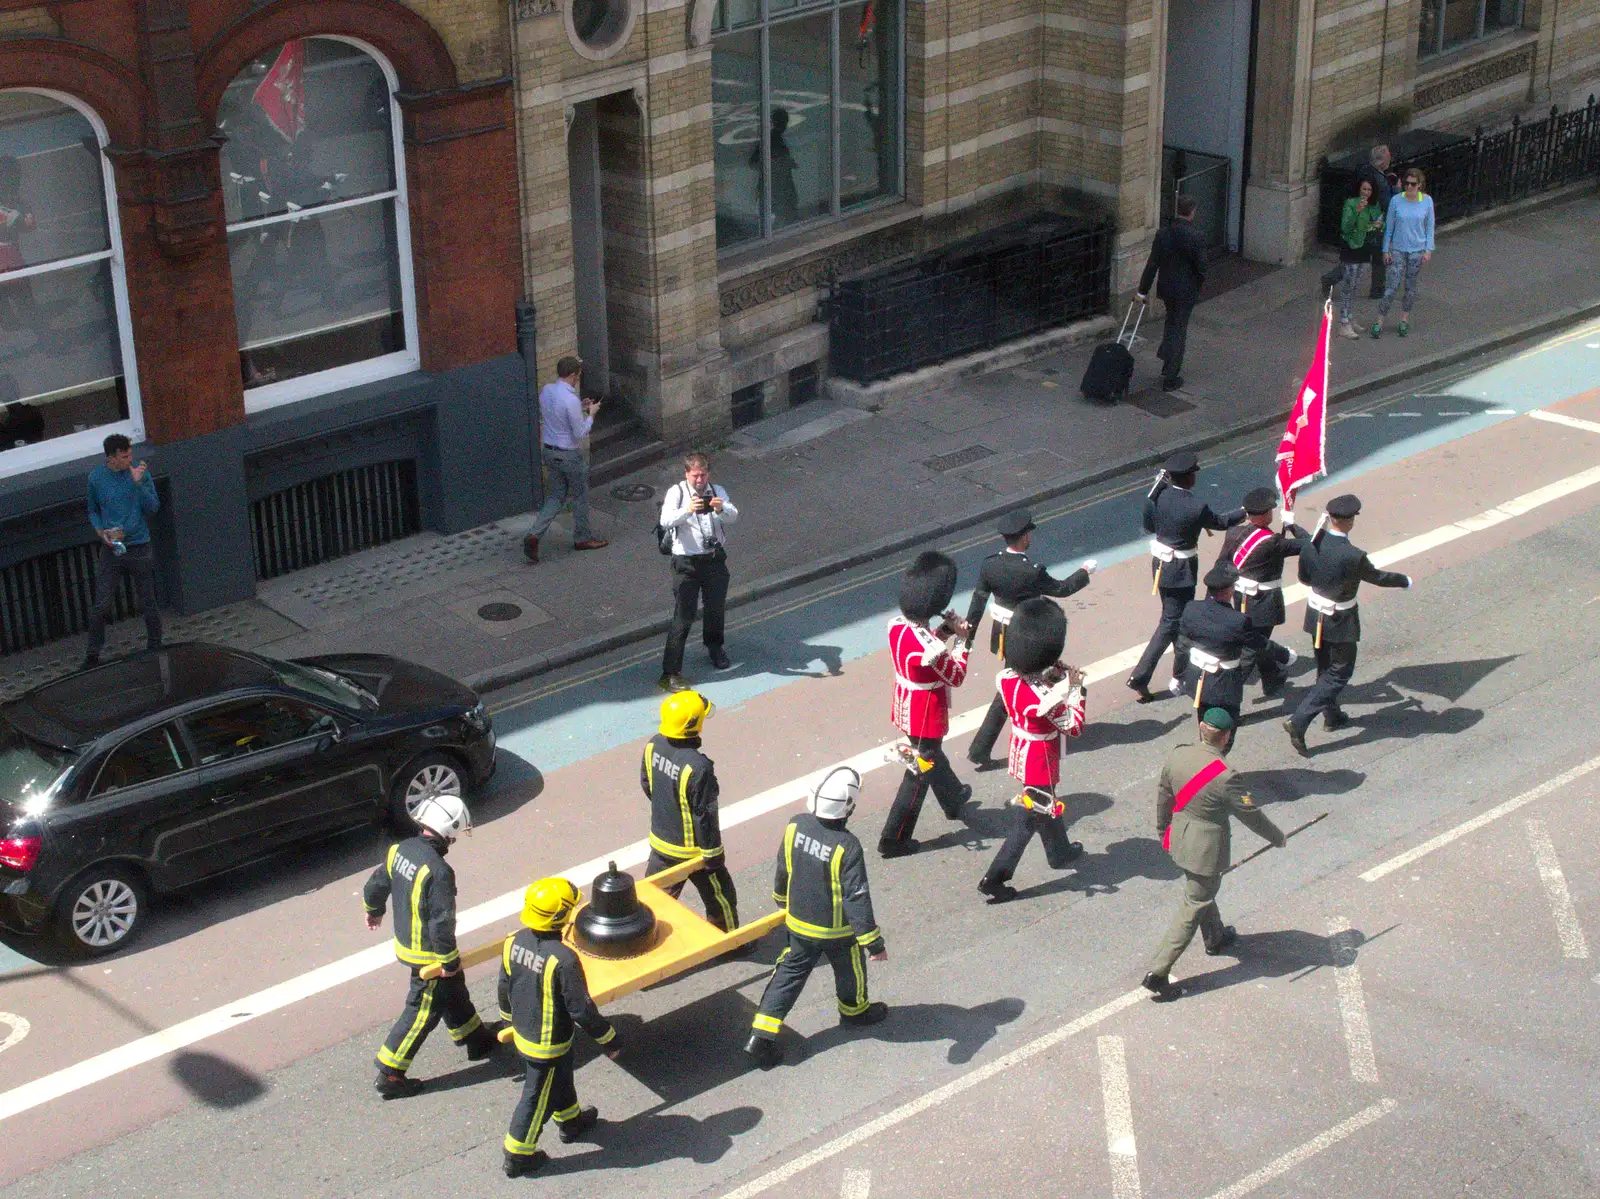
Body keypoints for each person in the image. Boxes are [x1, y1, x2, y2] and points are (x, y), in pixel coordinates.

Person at [744, 767, 887, 1069]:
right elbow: (856, 898)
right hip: (836, 931)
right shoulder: (848, 846)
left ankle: (761, 1035)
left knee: (788, 975)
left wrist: (782, 899)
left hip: (798, 922)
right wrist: (872, 942)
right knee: (851, 968)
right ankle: (854, 1011)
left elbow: (783, 866)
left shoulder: (796, 826)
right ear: (848, 806)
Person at [1142, 708, 1285, 1001]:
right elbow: (1251, 815)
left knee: (1201, 892)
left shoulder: (1177, 755)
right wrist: (1276, 837)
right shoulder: (1227, 776)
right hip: (1205, 851)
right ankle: (1158, 972)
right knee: (1194, 903)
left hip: (1180, 838)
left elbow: (1163, 798)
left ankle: (1215, 938)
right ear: (1226, 736)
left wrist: (1163, 832)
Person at [362, 795, 495, 1098]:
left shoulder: (399, 850)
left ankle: (475, 1038)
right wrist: (447, 961)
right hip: (429, 954)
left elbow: (376, 884)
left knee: (453, 989)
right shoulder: (439, 871)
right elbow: (441, 922)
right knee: (423, 1009)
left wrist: (374, 909)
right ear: (449, 832)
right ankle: (390, 1073)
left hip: (406, 943)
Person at [498, 878, 619, 1178]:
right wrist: (609, 1038)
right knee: (536, 1096)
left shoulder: (513, 941)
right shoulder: (563, 959)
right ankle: (517, 1155)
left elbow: (504, 985)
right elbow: (580, 1008)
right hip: (548, 1043)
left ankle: (570, 1121)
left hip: (525, 1031)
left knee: (561, 1077)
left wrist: (507, 1020)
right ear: (560, 918)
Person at [963, 509, 1096, 766]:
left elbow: (978, 601)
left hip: (1002, 635)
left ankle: (988, 744)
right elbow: (1062, 589)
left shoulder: (990, 564)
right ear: (1023, 538)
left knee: (1018, 683)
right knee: (1012, 689)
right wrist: (1084, 571)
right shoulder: (1032, 571)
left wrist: (968, 634)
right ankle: (985, 746)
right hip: (1028, 637)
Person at [977, 598, 1088, 903]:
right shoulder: (1045, 701)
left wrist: (1050, 675)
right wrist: (1076, 689)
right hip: (1040, 759)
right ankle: (995, 877)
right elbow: (1074, 726)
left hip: (1021, 751)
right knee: (1031, 817)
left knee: (1046, 806)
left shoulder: (1008, 678)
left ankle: (1060, 852)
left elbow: (1030, 681)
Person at [1284, 494, 1411, 755]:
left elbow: (1304, 578)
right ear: (1351, 521)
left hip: (1316, 614)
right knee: (1340, 671)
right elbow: (1377, 577)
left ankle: (1331, 715)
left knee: (1325, 667)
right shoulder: (1353, 555)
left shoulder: (1310, 544)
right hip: (1340, 620)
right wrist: (1403, 580)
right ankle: (1299, 720)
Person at [1126, 451, 1246, 702]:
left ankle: (1180, 669)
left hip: (1161, 565)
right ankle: (1143, 675)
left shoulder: (1157, 496)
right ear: (1190, 478)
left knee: (1175, 620)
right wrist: (1245, 511)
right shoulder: (1195, 506)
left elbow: (1150, 526)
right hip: (1181, 571)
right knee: (1171, 622)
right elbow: (1221, 522)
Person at [880, 551, 973, 857]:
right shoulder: (930, 647)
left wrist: (944, 631)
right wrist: (961, 639)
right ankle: (894, 838)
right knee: (920, 770)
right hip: (926, 713)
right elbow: (955, 675)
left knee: (928, 755)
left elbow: (924, 641)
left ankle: (954, 798)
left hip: (905, 705)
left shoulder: (897, 626)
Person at [640, 690, 738, 931]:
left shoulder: (653, 745)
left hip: (661, 841)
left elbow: (648, 784)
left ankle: (641, 942)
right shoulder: (698, 767)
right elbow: (704, 815)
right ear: (694, 725)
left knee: (652, 901)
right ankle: (730, 942)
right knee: (721, 896)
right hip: (693, 850)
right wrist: (713, 857)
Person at [658, 452, 739, 691]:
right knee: (684, 616)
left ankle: (715, 649)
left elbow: (734, 517)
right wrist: (687, 510)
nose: (700, 480)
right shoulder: (677, 492)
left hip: (714, 560)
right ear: (687, 474)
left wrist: (721, 508)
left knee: (715, 609)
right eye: (696, 475)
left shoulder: (717, 491)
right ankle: (670, 672)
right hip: (686, 564)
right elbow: (665, 521)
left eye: (703, 475)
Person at [83, 433, 163, 669]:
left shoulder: (139, 473)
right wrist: (100, 531)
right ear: (111, 458)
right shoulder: (97, 478)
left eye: (130, 454)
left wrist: (139, 483)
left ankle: (155, 645)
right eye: (124, 456)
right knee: (101, 604)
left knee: (148, 600)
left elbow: (153, 508)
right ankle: (92, 654)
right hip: (114, 548)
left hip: (139, 545)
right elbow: (92, 509)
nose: (130, 459)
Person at [1215, 487, 1302, 699]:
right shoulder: (1272, 541)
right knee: (1251, 649)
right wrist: (1292, 525)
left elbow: (1223, 562)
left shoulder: (1234, 532)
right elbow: (1308, 545)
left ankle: (1272, 678)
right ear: (1266, 515)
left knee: (1258, 641)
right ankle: (1226, 696)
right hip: (1263, 602)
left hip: (1240, 595)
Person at [523, 355, 608, 563]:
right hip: (568, 454)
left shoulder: (547, 391)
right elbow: (580, 432)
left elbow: (556, 414)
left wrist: (580, 406)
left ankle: (534, 534)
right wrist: (592, 414)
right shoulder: (569, 399)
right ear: (571, 375)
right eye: (577, 374)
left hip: (549, 451)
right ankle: (583, 538)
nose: (578, 378)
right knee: (579, 496)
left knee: (556, 495)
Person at [1136, 193, 1206, 391]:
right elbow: (1202, 268)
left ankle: (1166, 357)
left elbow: (1152, 265)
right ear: (1192, 212)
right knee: (1179, 330)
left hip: (1166, 288)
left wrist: (1142, 291)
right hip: (1186, 291)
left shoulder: (1163, 234)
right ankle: (1170, 375)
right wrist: (1198, 287)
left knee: (1171, 322)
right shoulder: (1197, 237)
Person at [1176, 563, 1253, 744]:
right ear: (1229, 591)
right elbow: (1257, 645)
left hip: (1200, 681)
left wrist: (1178, 675)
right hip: (1226, 684)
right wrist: (1284, 655)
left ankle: (1205, 768)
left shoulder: (1192, 608)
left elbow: (1182, 646)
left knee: (1206, 734)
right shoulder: (1238, 620)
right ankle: (1210, 772)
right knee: (1223, 740)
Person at [1372, 168, 1434, 339]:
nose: (1409, 187)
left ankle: (1404, 320)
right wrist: (1386, 249)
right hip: (1398, 249)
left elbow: (1429, 228)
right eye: (1406, 183)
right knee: (1391, 287)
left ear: (1420, 185)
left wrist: (1428, 250)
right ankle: (1379, 321)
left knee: (1410, 288)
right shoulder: (1396, 201)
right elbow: (1389, 227)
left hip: (1417, 250)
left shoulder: (1426, 201)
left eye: (1413, 184)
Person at [1335, 178, 1381, 339]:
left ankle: (1350, 317)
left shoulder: (1374, 205)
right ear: (1358, 190)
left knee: (1355, 285)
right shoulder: (1351, 204)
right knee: (1348, 285)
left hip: (1366, 248)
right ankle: (1343, 323)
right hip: (1352, 247)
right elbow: (1345, 226)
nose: (1366, 193)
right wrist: (1358, 211)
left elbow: (1378, 222)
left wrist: (1378, 224)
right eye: (1364, 189)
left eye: (1369, 190)